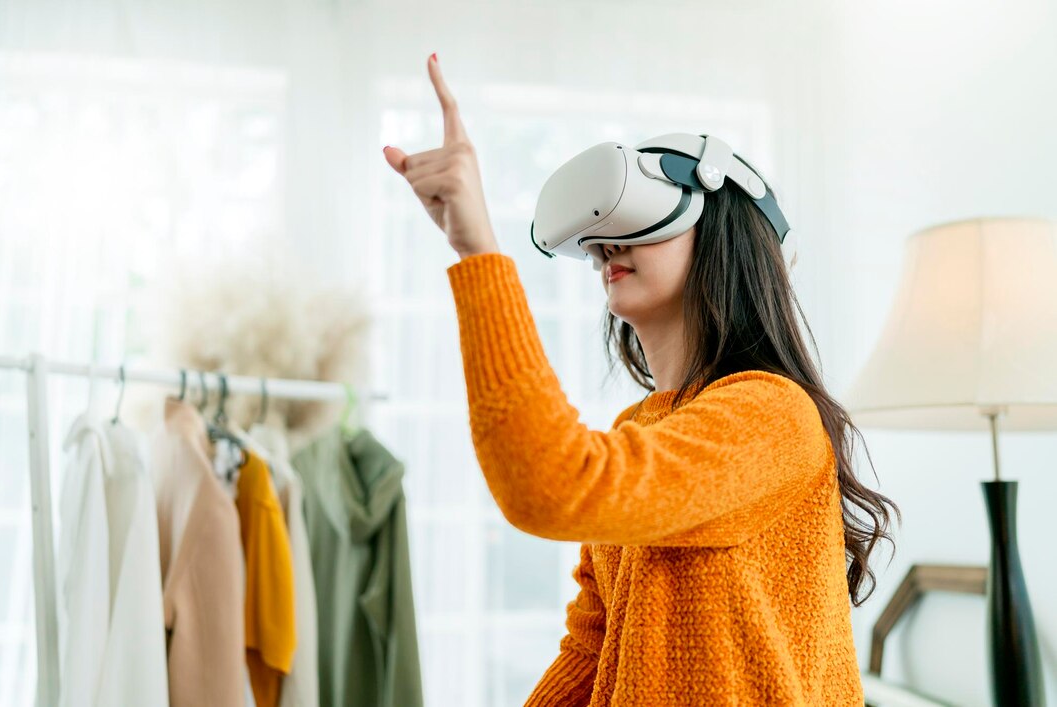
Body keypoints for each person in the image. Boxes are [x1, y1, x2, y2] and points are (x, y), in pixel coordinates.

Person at [383, 52, 900, 706]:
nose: (607, 244)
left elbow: (548, 484)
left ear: (721, 232)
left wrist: (480, 251)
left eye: (640, 220)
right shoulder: (639, 429)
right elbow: (591, 649)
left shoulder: (774, 416)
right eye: (601, 234)